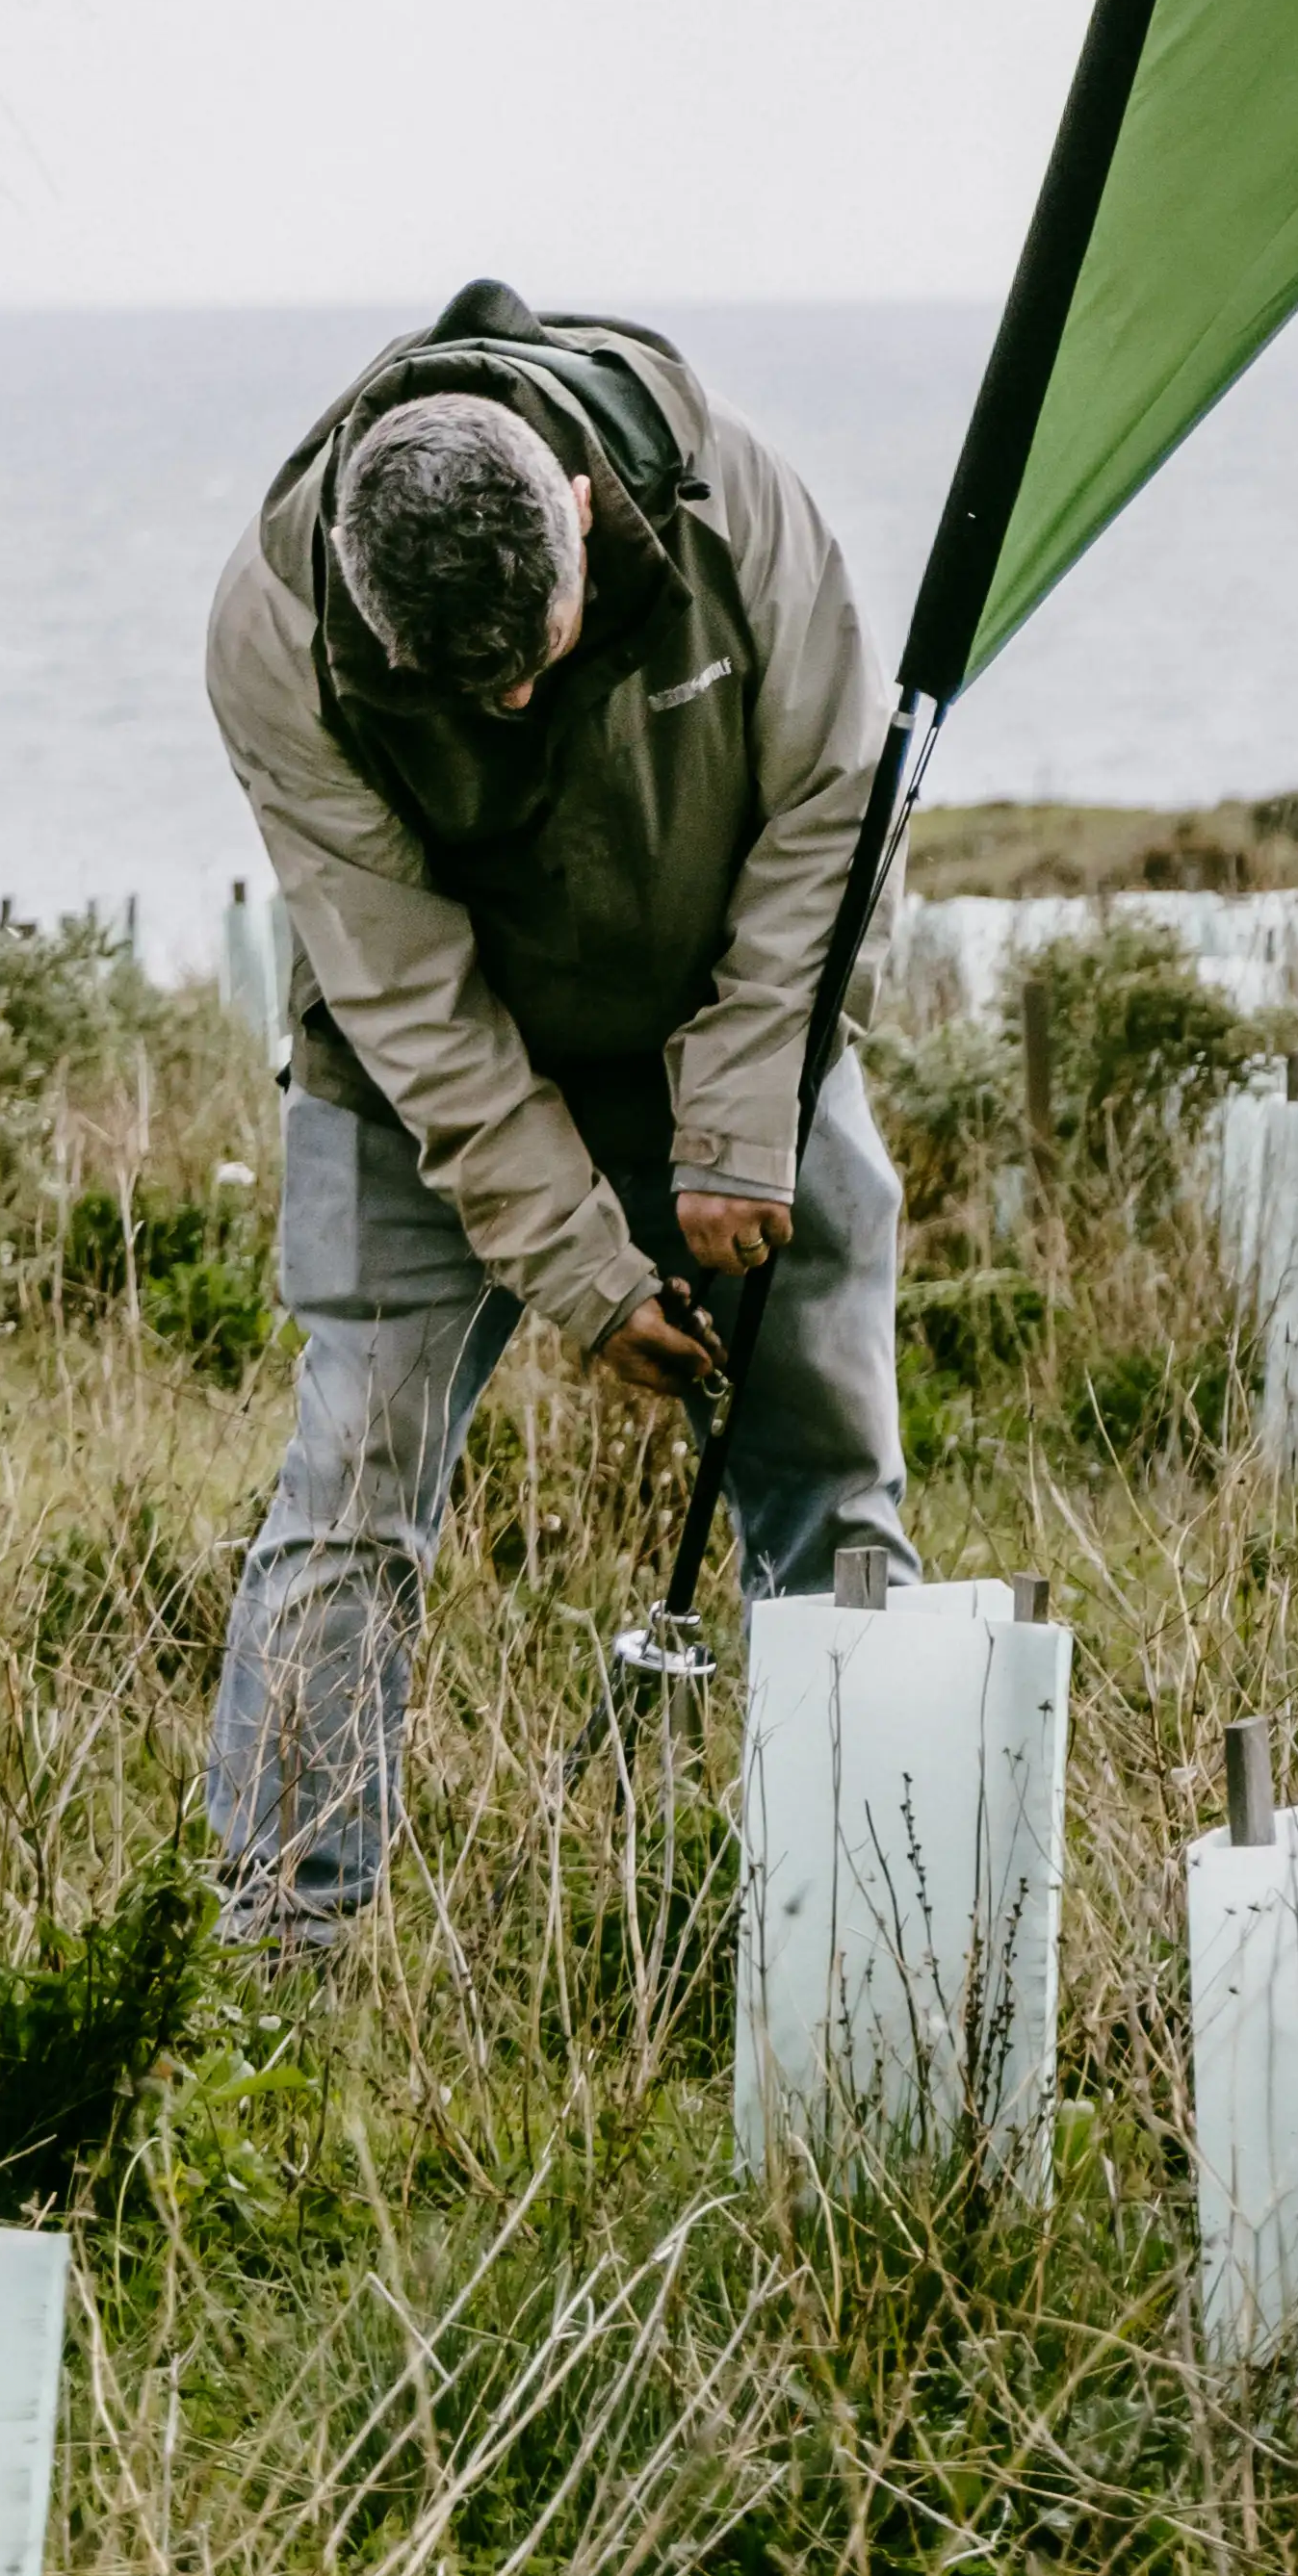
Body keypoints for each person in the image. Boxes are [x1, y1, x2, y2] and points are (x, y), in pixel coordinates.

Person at [198, 283, 909, 1939]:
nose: (512, 712)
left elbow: (829, 816)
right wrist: (589, 1279)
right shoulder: (271, 634)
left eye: (537, 665)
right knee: (351, 1487)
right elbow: (409, 999)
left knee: (827, 1475)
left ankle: (879, 1921)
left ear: (583, 515)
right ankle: (280, 1951)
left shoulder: (745, 511)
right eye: (464, 694)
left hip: (727, 1019)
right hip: (416, 1087)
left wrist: (738, 1129)